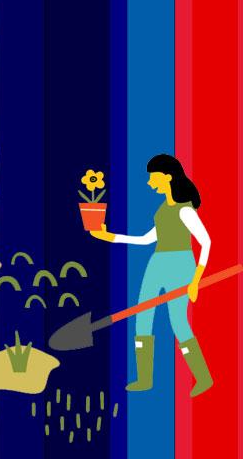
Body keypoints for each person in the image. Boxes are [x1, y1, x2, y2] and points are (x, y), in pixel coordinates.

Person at [90, 154, 215, 395]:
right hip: (157, 263)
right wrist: (111, 237)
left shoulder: (185, 210)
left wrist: (196, 280)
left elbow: (206, 242)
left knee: (178, 322)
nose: (149, 183)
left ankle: (203, 377)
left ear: (167, 177)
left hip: (180, 264)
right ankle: (144, 379)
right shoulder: (163, 208)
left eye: (153, 178)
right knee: (142, 316)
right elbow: (148, 239)